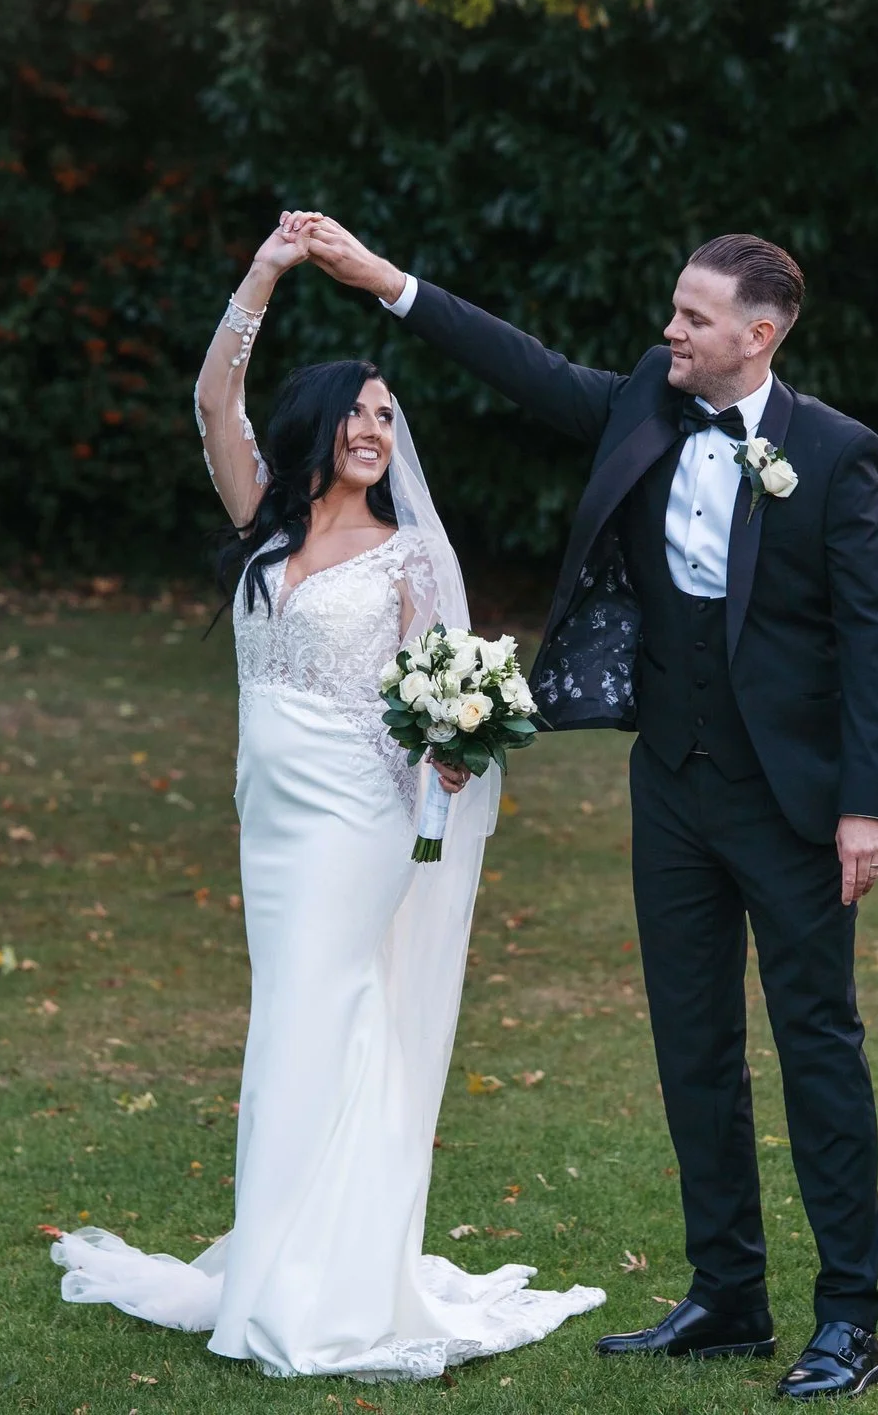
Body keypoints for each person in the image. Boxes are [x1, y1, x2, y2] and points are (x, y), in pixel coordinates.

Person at [298, 218, 878, 1400]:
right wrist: (385, 282)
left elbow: (876, 641)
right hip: (671, 789)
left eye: (692, 316)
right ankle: (728, 1296)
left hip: (791, 803)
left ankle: (848, 1318)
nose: (667, 329)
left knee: (816, 1046)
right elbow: (522, 364)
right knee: (692, 1047)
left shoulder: (834, 455)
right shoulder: (645, 397)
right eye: (671, 310)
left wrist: (865, 807)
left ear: (758, 333)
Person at [48, 216, 604, 1378]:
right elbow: (213, 401)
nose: (373, 428)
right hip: (271, 813)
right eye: (357, 411)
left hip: (360, 810)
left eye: (387, 416)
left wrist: (456, 752)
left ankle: (316, 1281)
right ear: (317, 424)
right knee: (291, 1017)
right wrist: (263, 269)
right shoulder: (263, 518)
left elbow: (443, 701)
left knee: (320, 1006)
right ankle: (286, 1251)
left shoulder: (409, 559)